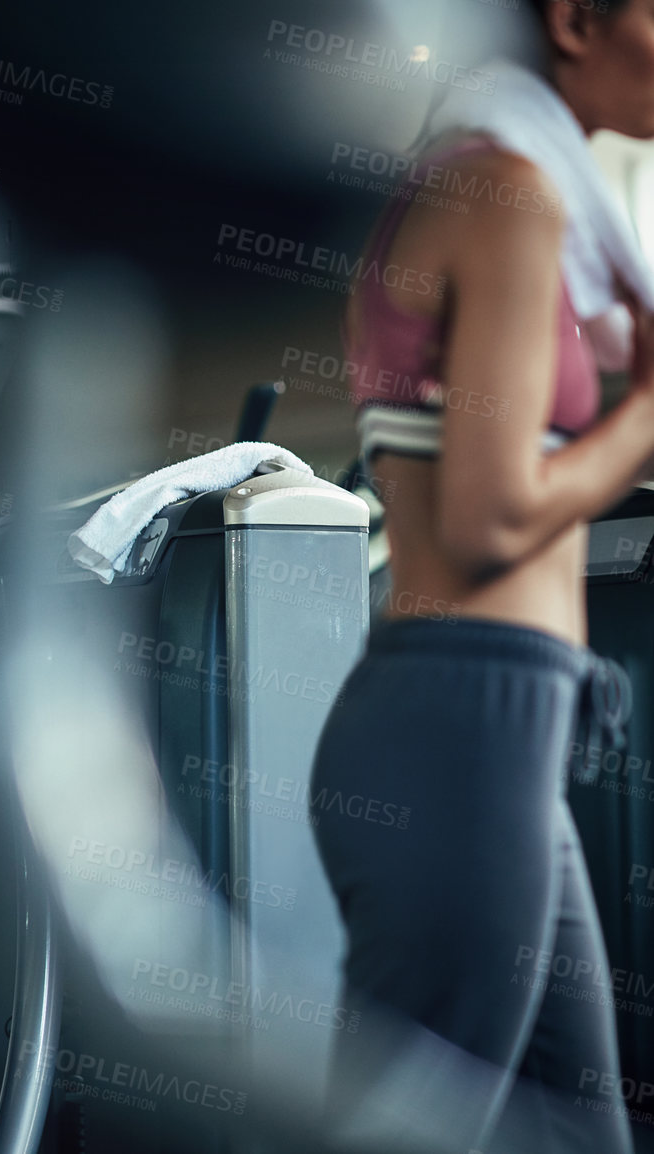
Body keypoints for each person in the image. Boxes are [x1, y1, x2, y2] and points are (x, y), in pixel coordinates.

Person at [311, 3, 654, 1151]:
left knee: (579, 1133)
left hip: (502, 720)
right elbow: (496, 514)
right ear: (573, 20)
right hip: (465, 718)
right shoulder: (505, 189)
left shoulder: (496, 186)